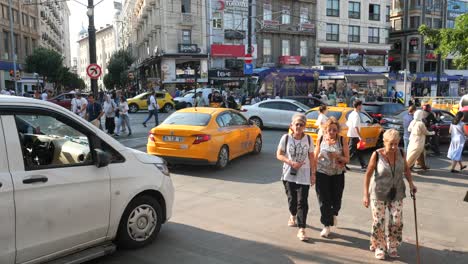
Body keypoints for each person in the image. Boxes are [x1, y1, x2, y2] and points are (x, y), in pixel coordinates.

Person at [363, 129, 417, 260]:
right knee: (378, 221)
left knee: (397, 220)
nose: (393, 147)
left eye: (396, 143)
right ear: (384, 142)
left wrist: (411, 184)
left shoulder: (401, 153)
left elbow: (406, 170)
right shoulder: (377, 154)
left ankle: (392, 244)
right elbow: (368, 174)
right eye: (391, 144)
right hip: (378, 192)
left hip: (397, 191)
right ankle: (380, 246)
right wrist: (366, 194)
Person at [276, 113, 315, 241]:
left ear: (305, 126)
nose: (299, 126)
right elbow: (279, 155)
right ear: (291, 126)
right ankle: (292, 214)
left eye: (301, 124)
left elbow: (311, 157)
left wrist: (313, 174)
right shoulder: (286, 138)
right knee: (292, 199)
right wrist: (291, 162)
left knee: (302, 201)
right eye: (296, 124)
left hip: (304, 174)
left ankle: (302, 229)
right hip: (288, 174)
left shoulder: (309, 139)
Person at [314, 117, 349, 238]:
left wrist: (338, 157)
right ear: (325, 130)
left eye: (334, 130)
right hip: (322, 173)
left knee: (336, 200)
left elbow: (347, 159)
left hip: (337, 174)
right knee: (324, 200)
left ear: (338, 130)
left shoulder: (342, 140)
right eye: (329, 130)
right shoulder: (321, 139)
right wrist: (314, 164)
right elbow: (314, 155)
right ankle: (326, 226)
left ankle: (334, 213)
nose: (332, 132)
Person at [347, 100, 367, 170]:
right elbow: (356, 126)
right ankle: (342, 163)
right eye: (361, 105)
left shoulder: (351, 113)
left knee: (359, 150)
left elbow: (348, 123)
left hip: (352, 134)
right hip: (354, 135)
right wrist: (360, 136)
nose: (361, 107)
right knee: (350, 150)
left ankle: (363, 164)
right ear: (358, 106)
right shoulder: (356, 115)